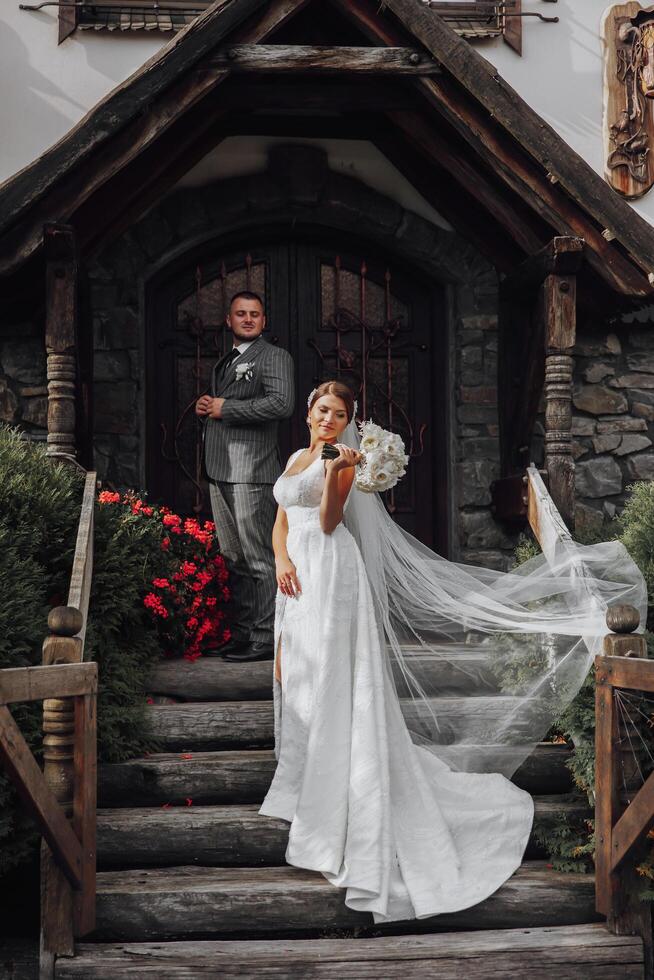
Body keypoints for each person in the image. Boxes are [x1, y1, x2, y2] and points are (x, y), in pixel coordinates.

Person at [259, 379, 646, 923]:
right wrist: (280, 561)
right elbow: (281, 522)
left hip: (329, 571)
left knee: (330, 678)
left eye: (339, 413)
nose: (329, 419)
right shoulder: (298, 454)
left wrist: (336, 473)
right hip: (295, 576)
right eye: (323, 410)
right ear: (308, 414)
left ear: (348, 421)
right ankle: (301, 785)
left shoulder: (341, 463)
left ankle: (341, 795)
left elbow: (326, 524)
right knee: (298, 675)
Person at [196, 291, 294, 662]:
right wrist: (209, 407)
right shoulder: (226, 361)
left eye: (255, 314)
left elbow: (281, 403)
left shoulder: (273, 356)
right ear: (229, 320)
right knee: (233, 559)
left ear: (264, 321)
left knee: (258, 558)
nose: (248, 319)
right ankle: (242, 634)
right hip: (220, 469)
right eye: (241, 314)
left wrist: (226, 407)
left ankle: (267, 637)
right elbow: (226, 408)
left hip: (252, 470)